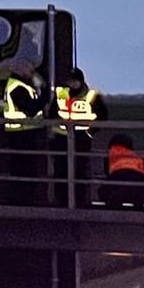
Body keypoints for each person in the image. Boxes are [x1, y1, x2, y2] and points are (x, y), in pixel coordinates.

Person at [52, 66, 108, 207]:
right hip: (61, 139)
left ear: (81, 81)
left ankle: (79, 201)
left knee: (80, 172)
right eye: (70, 81)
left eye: (75, 81)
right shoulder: (61, 94)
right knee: (61, 172)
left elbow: (102, 116)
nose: (72, 84)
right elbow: (52, 114)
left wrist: (90, 132)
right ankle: (62, 201)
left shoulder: (92, 96)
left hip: (81, 139)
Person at [0, 57, 48, 206]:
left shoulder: (21, 85)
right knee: (24, 169)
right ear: (21, 71)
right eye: (29, 70)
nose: (32, 73)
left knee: (24, 169)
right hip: (21, 135)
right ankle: (22, 201)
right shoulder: (17, 87)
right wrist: (44, 96)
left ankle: (23, 199)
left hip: (25, 133)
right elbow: (30, 110)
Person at [101, 133, 144, 208]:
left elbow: (107, 171)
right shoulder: (135, 155)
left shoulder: (110, 153)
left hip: (117, 179)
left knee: (104, 192)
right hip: (138, 181)